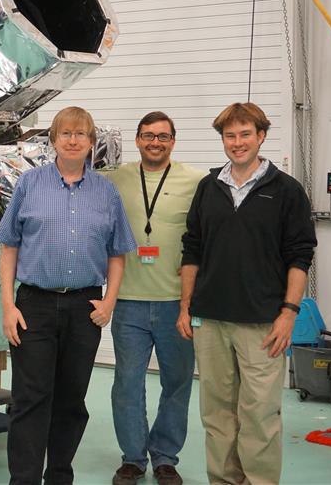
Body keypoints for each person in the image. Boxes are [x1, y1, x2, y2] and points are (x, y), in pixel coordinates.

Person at [0, 106, 137, 485]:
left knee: (71, 401)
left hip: (83, 307)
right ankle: (24, 480)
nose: (73, 141)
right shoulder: (29, 184)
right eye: (65, 134)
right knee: (30, 399)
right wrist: (8, 305)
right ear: (53, 140)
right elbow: (8, 247)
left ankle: (60, 475)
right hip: (34, 306)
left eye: (81, 135)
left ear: (91, 143)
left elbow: (117, 253)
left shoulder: (106, 191)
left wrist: (109, 302)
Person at [178, 102, 316, 485]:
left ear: (261, 136)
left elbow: (300, 256)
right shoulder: (209, 187)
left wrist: (289, 312)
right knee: (217, 415)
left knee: (259, 414)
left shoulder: (286, 190)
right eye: (230, 135)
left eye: (245, 134)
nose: (237, 143)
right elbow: (192, 249)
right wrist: (186, 304)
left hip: (263, 324)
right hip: (211, 320)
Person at [106, 112, 205, 485]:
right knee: (127, 384)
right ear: (136, 140)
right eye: (148, 135)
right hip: (128, 301)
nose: (155, 142)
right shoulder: (115, 178)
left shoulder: (196, 181)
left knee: (177, 383)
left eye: (163, 136)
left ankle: (165, 457)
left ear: (173, 141)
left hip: (176, 304)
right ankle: (133, 458)